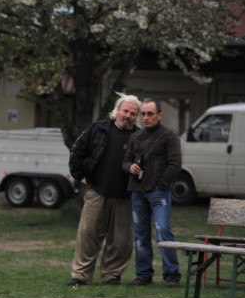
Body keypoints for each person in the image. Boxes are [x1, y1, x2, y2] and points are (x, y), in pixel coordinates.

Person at [67, 94, 142, 286]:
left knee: (121, 241)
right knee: (88, 235)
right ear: (117, 110)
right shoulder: (98, 129)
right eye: (125, 111)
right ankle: (80, 276)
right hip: (97, 191)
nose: (128, 116)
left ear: (137, 117)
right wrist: (79, 175)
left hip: (125, 195)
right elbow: (77, 150)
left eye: (133, 113)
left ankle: (111, 275)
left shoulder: (140, 137)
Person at [122, 99, 183, 287]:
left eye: (150, 114)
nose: (146, 117)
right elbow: (125, 161)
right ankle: (144, 275)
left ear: (159, 115)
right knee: (140, 234)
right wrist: (129, 167)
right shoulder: (135, 137)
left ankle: (172, 275)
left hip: (158, 193)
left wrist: (161, 185)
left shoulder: (169, 136)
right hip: (137, 192)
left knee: (163, 231)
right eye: (143, 114)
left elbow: (175, 164)